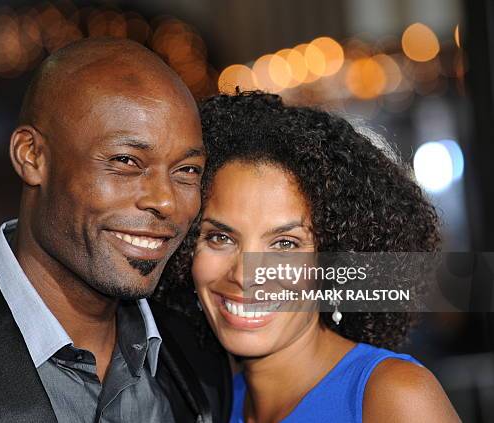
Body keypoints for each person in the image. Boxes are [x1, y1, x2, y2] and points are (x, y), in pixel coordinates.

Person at [0, 38, 232, 423]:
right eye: (126, 161)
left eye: (187, 171)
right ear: (32, 156)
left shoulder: (199, 359)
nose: (166, 202)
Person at [158, 91, 460, 422]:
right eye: (220, 237)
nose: (245, 275)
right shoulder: (213, 405)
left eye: (285, 244)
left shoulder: (392, 396)